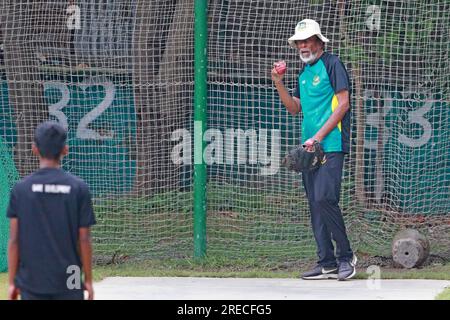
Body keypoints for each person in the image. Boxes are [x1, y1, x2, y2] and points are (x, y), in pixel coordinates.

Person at [272, 19, 356, 280]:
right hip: (310, 149)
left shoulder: (332, 64)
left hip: (330, 144)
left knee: (324, 199)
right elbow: (295, 108)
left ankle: (346, 257)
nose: (303, 45)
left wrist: (318, 137)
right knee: (314, 204)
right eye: (299, 41)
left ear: (320, 42)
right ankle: (326, 262)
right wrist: (278, 81)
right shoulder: (303, 73)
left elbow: (343, 105)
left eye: (308, 40)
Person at [7, 121, 95, 299]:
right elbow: (84, 239)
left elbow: (15, 240)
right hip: (70, 278)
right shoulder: (79, 188)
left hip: (32, 280)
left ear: (34, 149)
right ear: (65, 150)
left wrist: (12, 282)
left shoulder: (21, 190)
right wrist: (88, 280)